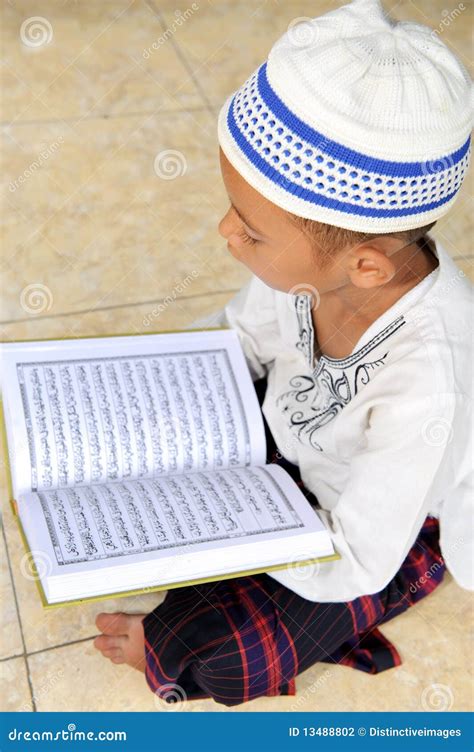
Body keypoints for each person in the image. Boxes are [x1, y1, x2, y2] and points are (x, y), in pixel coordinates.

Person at [93, 0, 473, 706]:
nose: (224, 233)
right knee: (140, 446)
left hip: (374, 532)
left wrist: (232, 526)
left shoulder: (431, 384)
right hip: (294, 452)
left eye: (251, 231)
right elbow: (242, 342)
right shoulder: (314, 269)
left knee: (222, 655)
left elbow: (355, 556)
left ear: (364, 266)